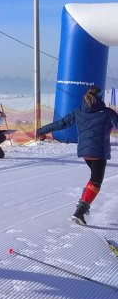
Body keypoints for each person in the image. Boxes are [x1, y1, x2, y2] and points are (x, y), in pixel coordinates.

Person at [36, 86, 118, 225]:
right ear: (101, 98)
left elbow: (61, 124)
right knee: (95, 182)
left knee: (93, 180)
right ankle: (80, 211)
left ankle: (83, 203)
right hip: (99, 153)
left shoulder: (79, 111)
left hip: (85, 152)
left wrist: (41, 130)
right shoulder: (107, 112)